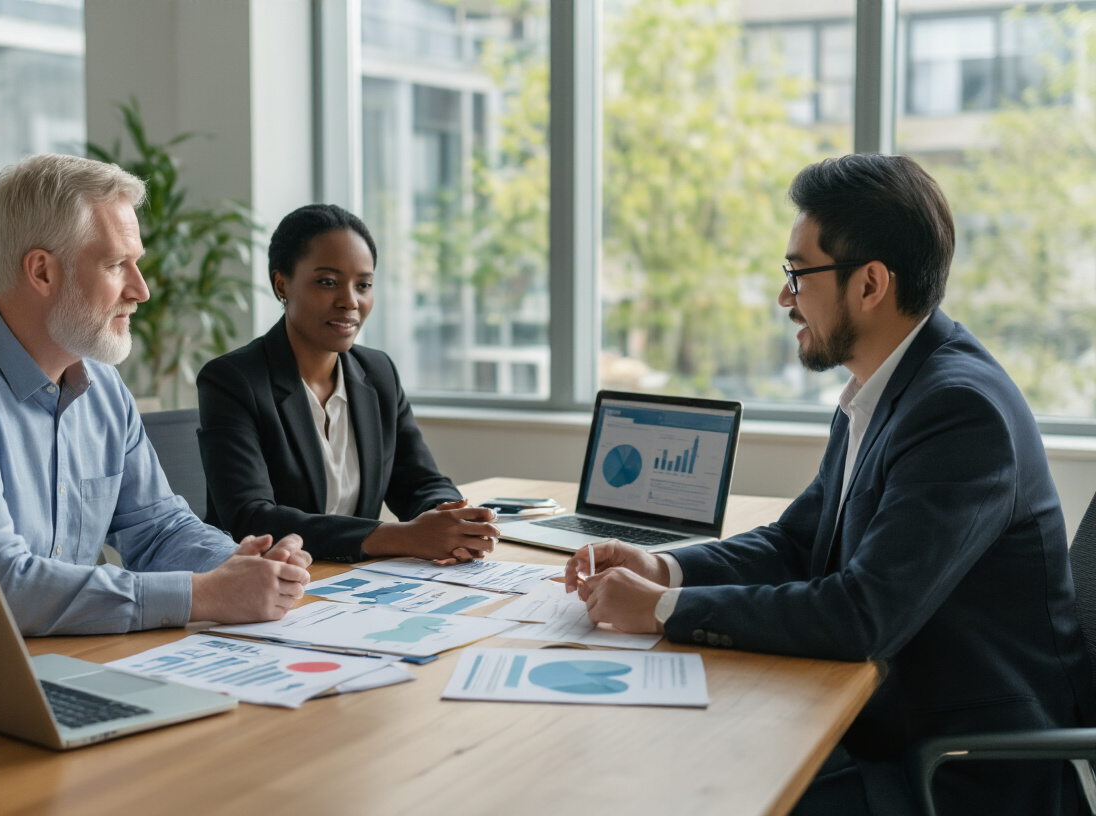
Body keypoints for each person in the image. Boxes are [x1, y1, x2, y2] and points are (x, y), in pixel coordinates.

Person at [565, 154, 1094, 815]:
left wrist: (662, 610)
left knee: (696, 792)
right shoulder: (885, 389)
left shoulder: (960, 411)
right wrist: (664, 568)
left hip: (965, 771)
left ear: (870, 284)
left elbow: (861, 616)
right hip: (894, 730)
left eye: (798, 274)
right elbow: (796, 544)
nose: (785, 298)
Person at [0, 154, 311, 662]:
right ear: (42, 271)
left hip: (59, 658)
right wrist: (203, 595)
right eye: (116, 265)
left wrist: (245, 564)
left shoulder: (102, 385)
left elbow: (157, 529)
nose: (141, 290)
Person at [197, 204, 499, 564]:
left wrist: (451, 520)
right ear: (282, 284)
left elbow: (419, 482)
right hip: (265, 581)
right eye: (328, 282)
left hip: (356, 580)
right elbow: (251, 518)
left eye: (364, 285)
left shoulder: (378, 372)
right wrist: (401, 536)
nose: (350, 301)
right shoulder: (233, 381)